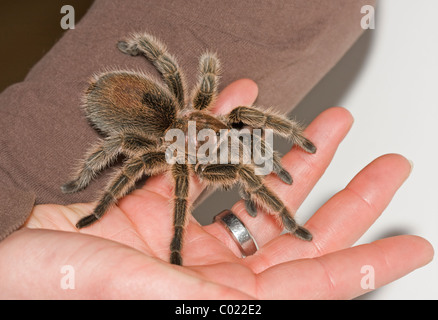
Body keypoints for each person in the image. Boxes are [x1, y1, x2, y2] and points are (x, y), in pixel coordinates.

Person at [0, 0, 433, 299]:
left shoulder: (213, 117)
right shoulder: (173, 148)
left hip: (143, 105)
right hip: (127, 110)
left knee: (233, 114)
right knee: (154, 163)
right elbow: (186, 94)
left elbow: (206, 69)